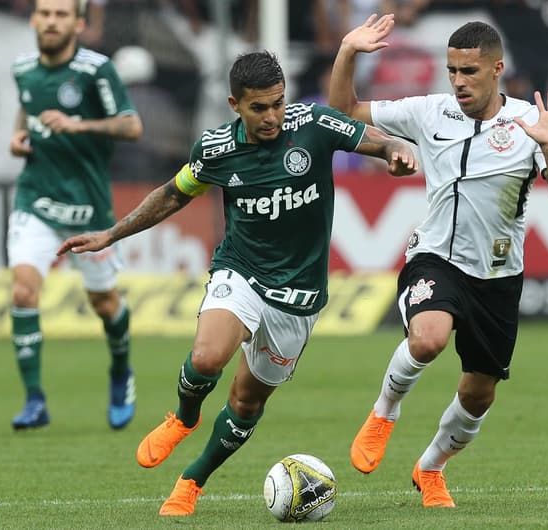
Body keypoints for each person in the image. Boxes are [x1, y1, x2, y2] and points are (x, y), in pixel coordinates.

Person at [58, 50, 417, 516]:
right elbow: (171, 195)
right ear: (235, 104)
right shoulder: (216, 150)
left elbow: (374, 138)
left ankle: (192, 480)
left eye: (278, 103)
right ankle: (184, 417)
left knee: (245, 404)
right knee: (208, 356)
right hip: (241, 272)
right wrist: (111, 233)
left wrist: (396, 150)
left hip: (299, 297)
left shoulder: (315, 124)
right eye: (259, 108)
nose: (272, 116)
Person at [329, 15, 548, 507]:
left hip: (498, 277)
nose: (459, 82)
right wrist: (347, 52)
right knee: (427, 339)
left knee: (479, 394)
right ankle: (384, 412)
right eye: (452, 71)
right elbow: (345, 109)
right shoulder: (430, 112)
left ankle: (430, 468)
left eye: (469, 71)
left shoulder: (530, 128)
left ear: (496, 69)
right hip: (436, 258)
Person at [8, 0, 143, 430]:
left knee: (103, 303)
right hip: (38, 200)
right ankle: (34, 401)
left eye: (61, 14)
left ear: (79, 23)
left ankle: (121, 372)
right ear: (34, 19)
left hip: (88, 207)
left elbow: (131, 125)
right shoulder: (23, 68)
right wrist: (17, 136)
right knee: (23, 292)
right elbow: (28, 108)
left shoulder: (95, 70)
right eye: (44, 13)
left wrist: (79, 124)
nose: (51, 21)